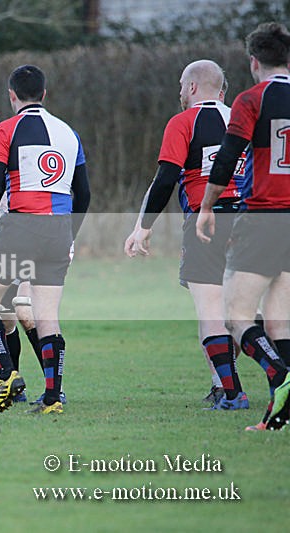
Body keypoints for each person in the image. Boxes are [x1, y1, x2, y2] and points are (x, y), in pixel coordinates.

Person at [124, 60, 248, 411]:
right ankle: (239, 381)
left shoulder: (184, 122)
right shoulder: (244, 118)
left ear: (193, 87)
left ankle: (228, 388)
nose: (179, 91)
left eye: (181, 85)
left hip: (205, 224)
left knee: (209, 310)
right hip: (253, 222)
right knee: (244, 308)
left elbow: (165, 179)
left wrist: (142, 228)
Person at [0, 64, 91, 414]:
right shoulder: (69, 133)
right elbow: (83, 195)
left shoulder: (6, 130)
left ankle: (7, 375)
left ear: (12, 96)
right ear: (45, 94)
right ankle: (53, 397)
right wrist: (71, 237)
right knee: (46, 316)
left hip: (21, 226)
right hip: (58, 230)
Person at [196, 22, 290, 431]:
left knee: (234, 315)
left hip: (266, 218)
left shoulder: (253, 98)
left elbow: (228, 156)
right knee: (279, 322)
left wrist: (206, 206)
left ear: (254, 62)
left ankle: (281, 376)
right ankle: (281, 416)